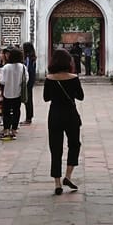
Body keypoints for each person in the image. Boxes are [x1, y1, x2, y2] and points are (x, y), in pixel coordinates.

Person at [44, 48, 84, 195]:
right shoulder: (73, 78)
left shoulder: (49, 78)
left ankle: (57, 183)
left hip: (54, 114)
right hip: (70, 115)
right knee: (74, 144)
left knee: (55, 149)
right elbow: (80, 96)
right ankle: (68, 175)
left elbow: (46, 98)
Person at [0, 47, 27, 141]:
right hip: (18, 93)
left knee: (6, 112)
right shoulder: (22, 67)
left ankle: (6, 130)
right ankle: (14, 130)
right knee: (16, 111)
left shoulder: (5, 67)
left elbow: (2, 81)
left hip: (7, 93)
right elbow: (26, 79)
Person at [21, 42, 38, 125]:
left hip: (28, 81)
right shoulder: (32, 58)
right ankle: (29, 116)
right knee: (29, 99)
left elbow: (28, 70)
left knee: (27, 99)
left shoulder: (28, 59)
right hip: (31, 80)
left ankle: (28, 118)